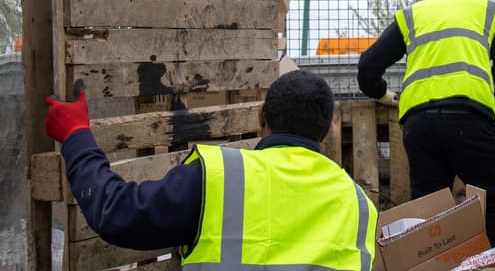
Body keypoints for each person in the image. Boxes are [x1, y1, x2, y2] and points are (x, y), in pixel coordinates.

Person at [44, 69, 378, 270]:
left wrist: (76, 137)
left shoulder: (220, 176)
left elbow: (118, 213)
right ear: (325, 131)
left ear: (262, 117)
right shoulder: (359, 205)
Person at [357, 0, 495, 247]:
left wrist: (383, 95)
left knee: (429, 209)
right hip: (469, 116)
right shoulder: (484, 9)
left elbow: (368, 67)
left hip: (419, 124)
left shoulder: (415, 14)